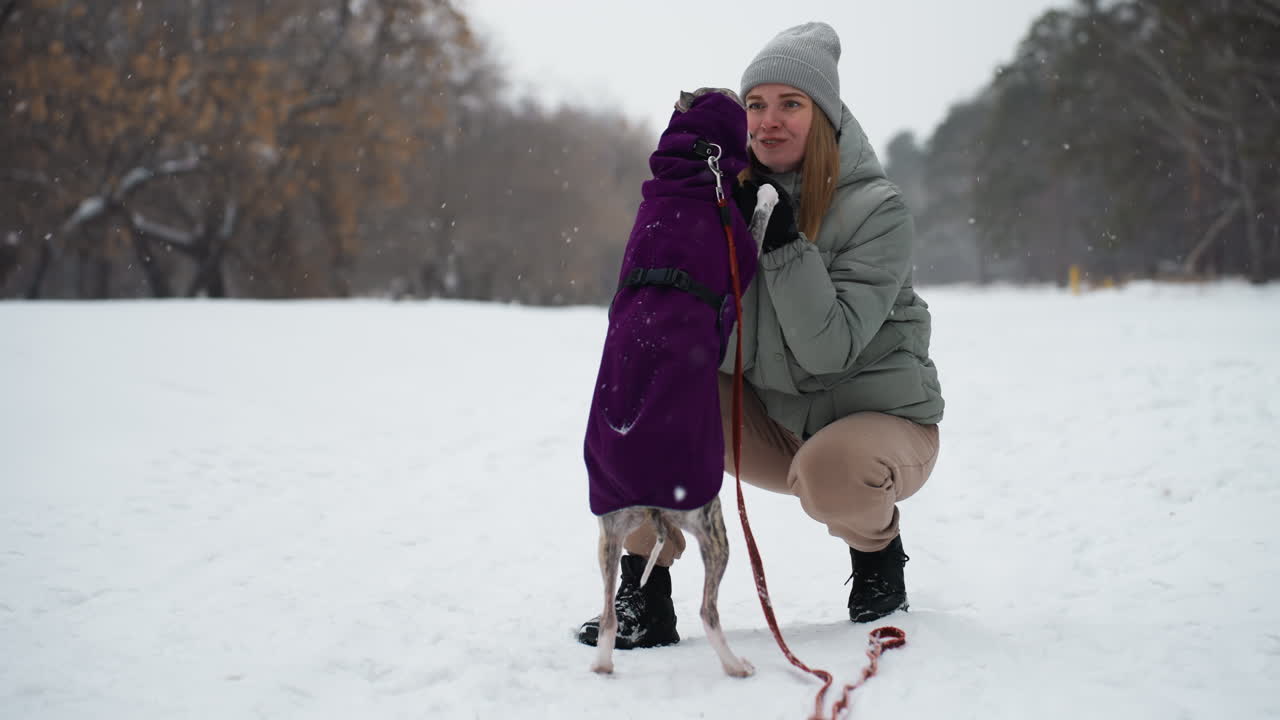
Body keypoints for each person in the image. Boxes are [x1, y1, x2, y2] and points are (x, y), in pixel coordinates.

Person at [578, 21, 943, 650]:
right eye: (756, 105)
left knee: (830, 470)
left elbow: (827, 350)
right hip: (773, 419)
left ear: (824, 115)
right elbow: (693, 333)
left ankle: (878, 557)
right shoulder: (725, 203)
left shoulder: (877, 210)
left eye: (791, 105)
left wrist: (782, 244)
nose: (768, 122)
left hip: (878, 426)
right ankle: (645, 592)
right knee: (655, 391)